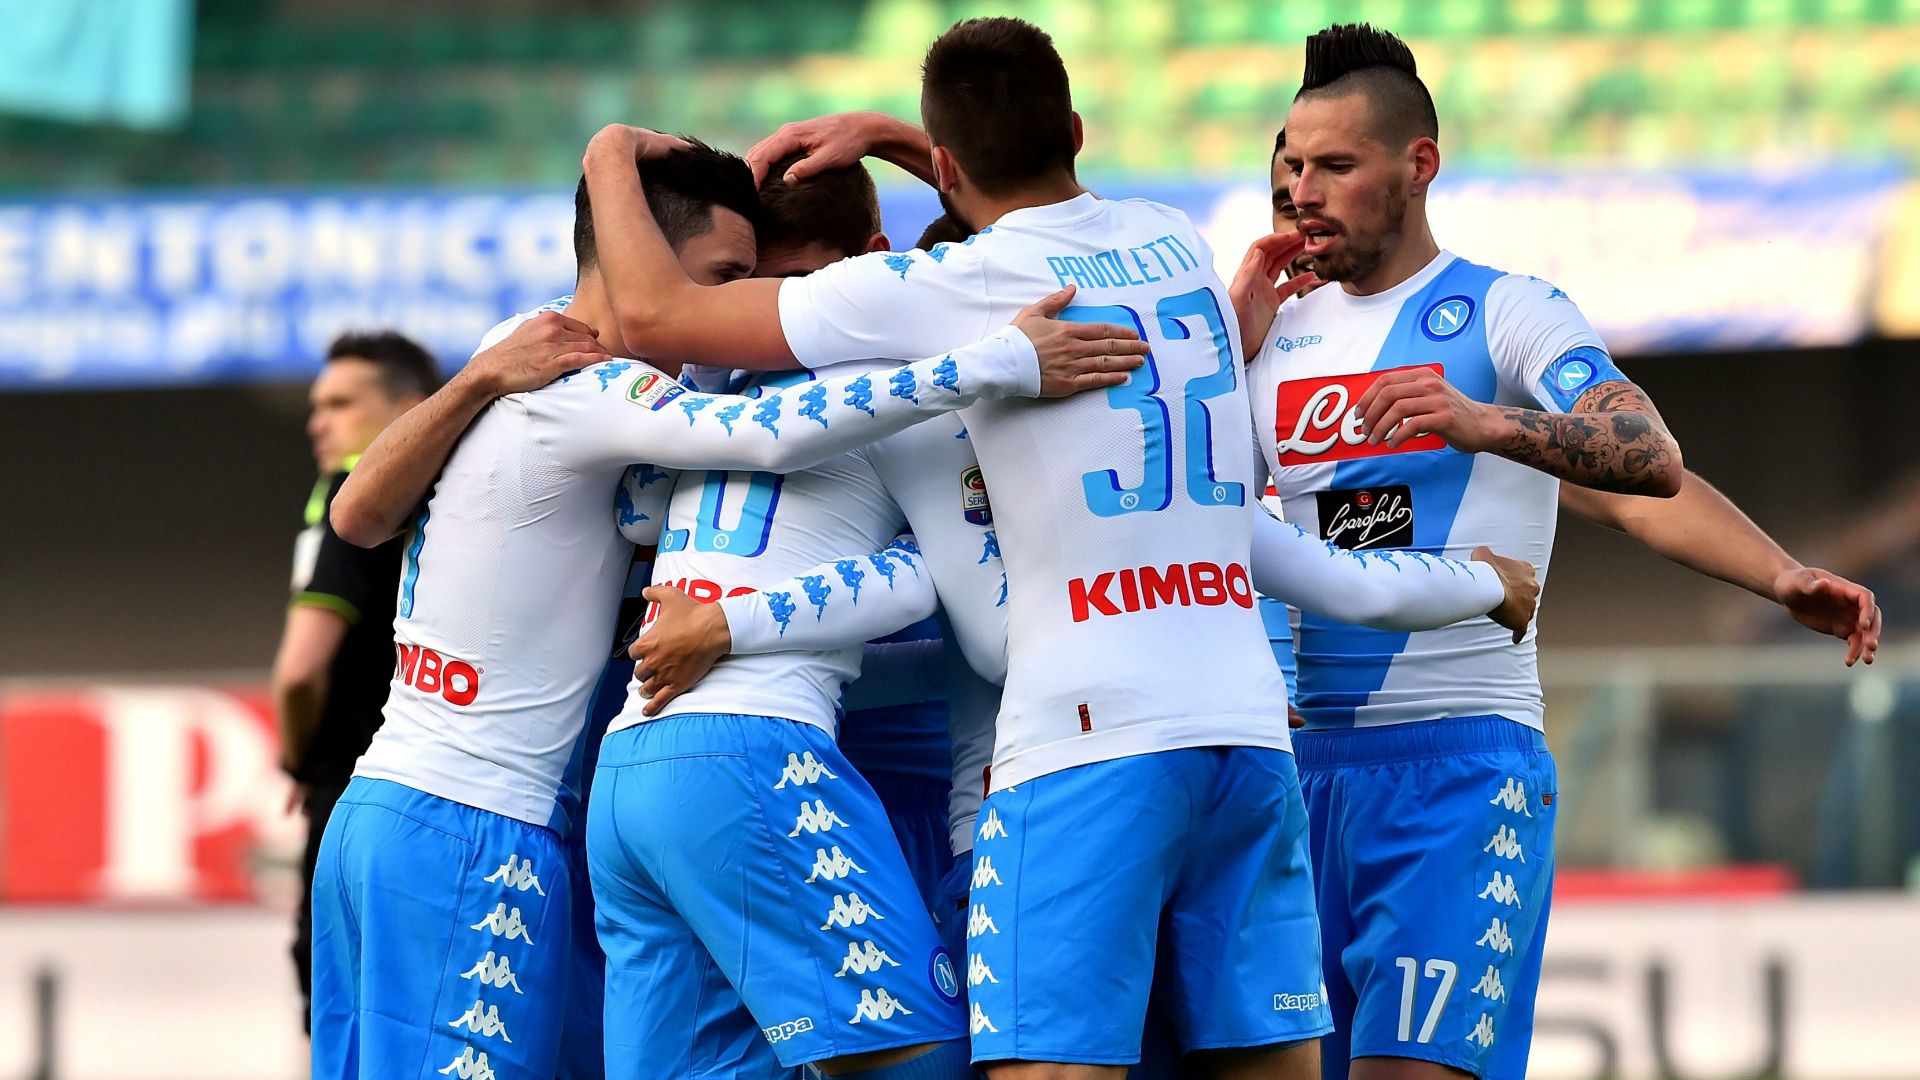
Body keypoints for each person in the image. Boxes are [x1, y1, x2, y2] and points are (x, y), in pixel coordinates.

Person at [570, 17, 1538, 1079]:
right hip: (1245, 736)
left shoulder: (943, 296)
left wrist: (609, 149)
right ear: (1074, 128)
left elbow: (657, 315)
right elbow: (1283, 550)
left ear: (943, 168)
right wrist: (1475, 583)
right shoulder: (1175, 243)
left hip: (1081, 740)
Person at [311, 140, 1124, 1080]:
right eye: (725, 278)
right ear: (636, 256)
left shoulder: (517, 347)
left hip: (408, 805)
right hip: (484, 818)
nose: (739, 309)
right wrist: (987, 364)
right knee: (921, 1053)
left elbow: (358, 515)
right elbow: (768, 438)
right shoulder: (602, 388)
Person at [1235, 24, 1882, 1080]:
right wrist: (1228, 334)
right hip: (1291, 776)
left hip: (1456, 770)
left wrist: (1775, 571)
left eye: (1337, 166)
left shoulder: (1505, 311)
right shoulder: (1266, 338)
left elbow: (1641, 466)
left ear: (1417, 166)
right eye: (1293, 167)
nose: (1305, 190)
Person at [272, 330, 437, 1032]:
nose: (320, 421)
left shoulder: (348, 491)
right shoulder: (454, 499)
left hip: (349, 796)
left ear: (411, 408)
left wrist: (299, 760)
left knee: (344, 1015)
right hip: (440, 796)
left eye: (341, 402)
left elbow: (300, 672)